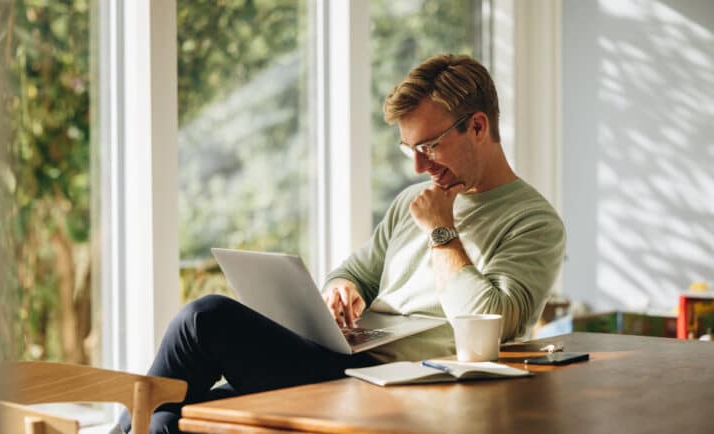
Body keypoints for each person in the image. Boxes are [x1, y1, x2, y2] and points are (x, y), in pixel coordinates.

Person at [115, 54, 565, 434]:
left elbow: (497, 323)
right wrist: (340, 289)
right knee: (171, 419)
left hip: (404, 383)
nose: (417, 167)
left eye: (429, 146)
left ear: (478, 126)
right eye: (408, 149)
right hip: (344, 359)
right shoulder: (412, 201)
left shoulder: (534, 222)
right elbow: (355, 272)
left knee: (205, 318)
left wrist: (441, 231)